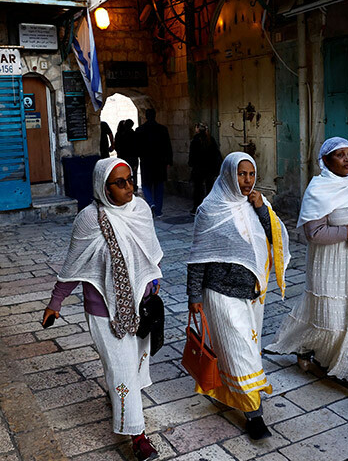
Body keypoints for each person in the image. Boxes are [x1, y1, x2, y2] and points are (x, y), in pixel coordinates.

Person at [44, 157, 163, 460]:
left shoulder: (141, 210)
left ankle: (118, 397)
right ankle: (138, 436)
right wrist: (55, 303)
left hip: (141, 308)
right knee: (123, 372)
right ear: (102, 186)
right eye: (119, 183)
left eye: (130, 180)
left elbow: (151, 253)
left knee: (131, 369)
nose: (128, 187)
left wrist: (152, 284)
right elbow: (73, 265)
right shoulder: (89, 218)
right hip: (104, 311)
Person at [265, 137, 348, 395]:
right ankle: (312, 350)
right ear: (325, 160)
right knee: (329, 318)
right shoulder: (319, 188)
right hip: (328, 262)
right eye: (339, 155)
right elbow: (315, 233)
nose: (346, 160)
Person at [186, 152, 290, 440]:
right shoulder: (210, 209)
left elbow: (276, 237)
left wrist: (260, 209)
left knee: (238, 349)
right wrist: (194, 295)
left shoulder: (257, 204)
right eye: (241, 174)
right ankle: (254, 415)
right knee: (242, 350)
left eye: (251, 174)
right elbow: (198, 256)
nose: (247, 180)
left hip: (253, 293)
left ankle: (224, 389)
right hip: (220, 293)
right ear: (230, 174)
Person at [136, 108, 172, 217]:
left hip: (146, 162)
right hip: (160, 163)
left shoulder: (139, 130)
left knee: (146, 185)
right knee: (159, 186)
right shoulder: (163, 129)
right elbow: (168, 146)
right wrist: (169, 161)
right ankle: (158, 211)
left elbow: (136, 148)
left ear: (146, 116)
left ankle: (151, 202)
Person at [188, 122, 223, 214]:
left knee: (198, 189)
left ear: (197, 129)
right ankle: (210, 207)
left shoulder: (195, 140)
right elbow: (216, 155)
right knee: (209, 188)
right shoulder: (210, 140)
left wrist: (191, 164)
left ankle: (197, 207)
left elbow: (192, 156)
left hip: (198, 169)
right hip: (209, 169)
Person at [116, 119, 139, 193]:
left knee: (123, 174)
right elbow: (137, 147)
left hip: (123, 158)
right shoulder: (134, 134)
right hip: (133, 158)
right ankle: (134, 188)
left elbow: (117, 147)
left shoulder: (119, 134)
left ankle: (124, 187)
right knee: (134, 173)